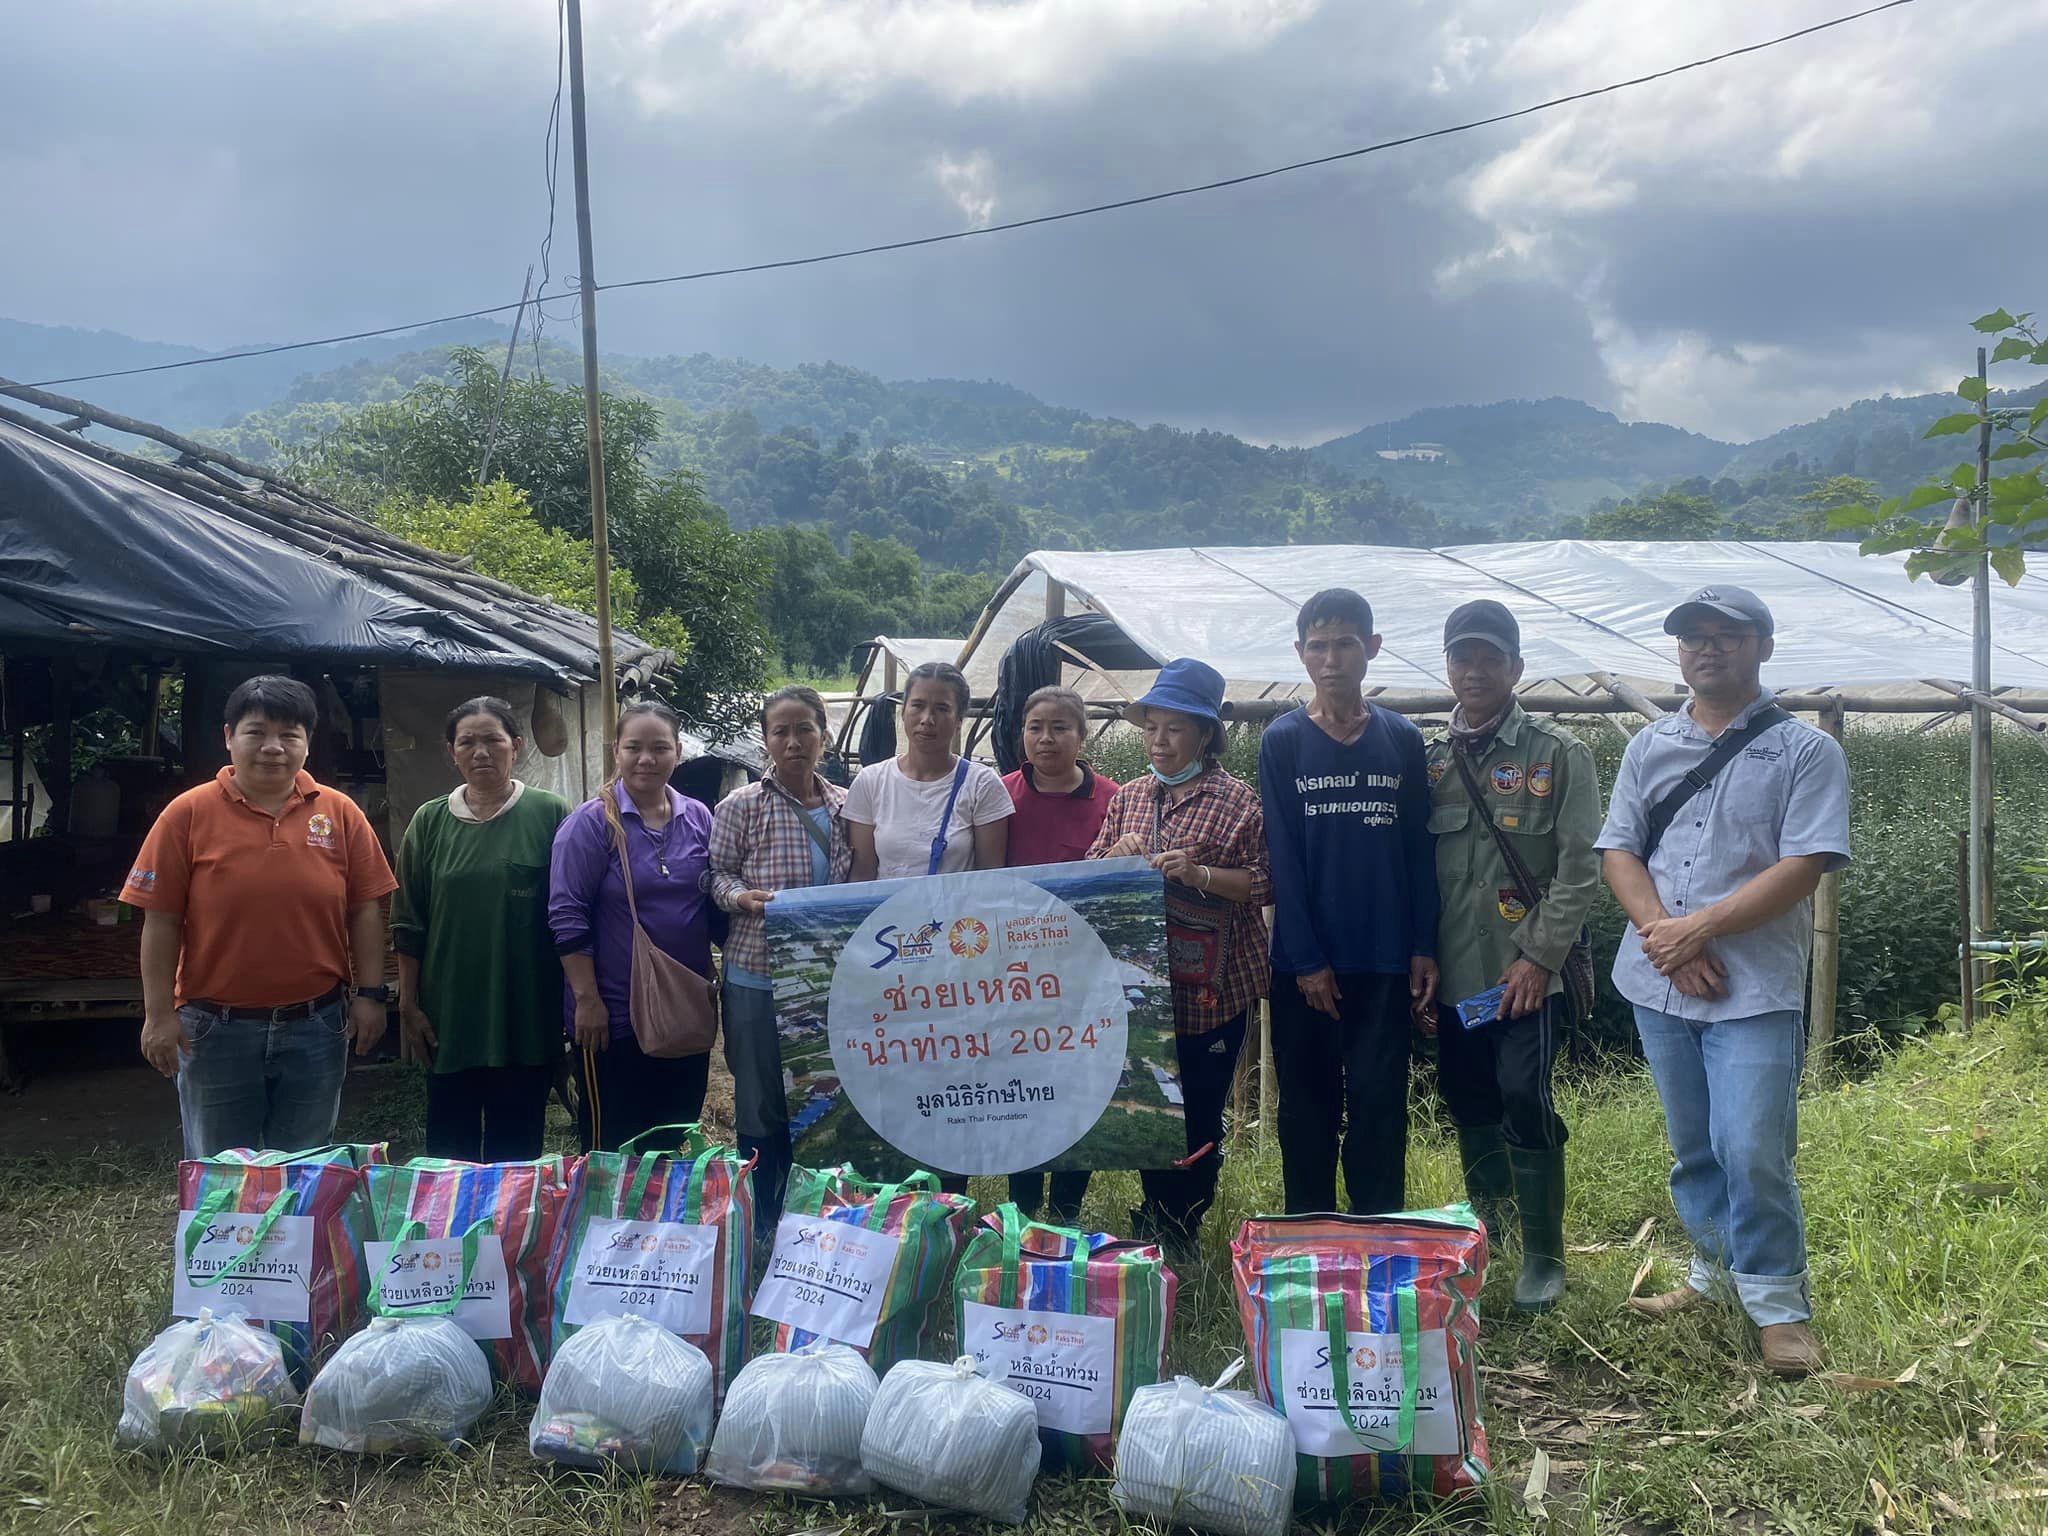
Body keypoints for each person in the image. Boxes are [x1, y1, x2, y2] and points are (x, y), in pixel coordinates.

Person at [1597, 586, 1849, 1378]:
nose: (1708, 649)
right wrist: (1663, 937)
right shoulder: (1649, 746)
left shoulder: (1807, 752)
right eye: (1693, 637)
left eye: (1727, 637)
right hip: (1659, 978)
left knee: (1753, 1147)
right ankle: (1711, 1278)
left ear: (1763, 647)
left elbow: (1804, 866)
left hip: (1754, 987)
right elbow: (1619, 852)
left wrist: (1698, 928)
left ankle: (1779, 1305)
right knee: (1695, 1143)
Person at [123, 675, 395, 1159]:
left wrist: (371, 995)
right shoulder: (186, 814)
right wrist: (158, 1014)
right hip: (213, 1029)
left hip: (317, 1025)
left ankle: (297, 1239)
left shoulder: (340, 812)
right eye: (257, 732)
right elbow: (160, 921)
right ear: (229, 737)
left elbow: (366, 910)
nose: (273, 747)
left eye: (289, 735)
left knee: (307, 1169)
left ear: (308, 743)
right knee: (221, 1173)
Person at [1423, 601, 1602, 1312]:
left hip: (1525, 976)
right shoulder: (1430, 758)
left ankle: (1544, 1255)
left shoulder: (1558, 754)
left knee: (1525, 1096)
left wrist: (1538, 958)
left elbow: (1582, 866)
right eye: (1461, 657)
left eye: (1489, 658)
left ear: (1515, 668)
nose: (1474, 670)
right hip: (1457, 975)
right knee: (1469, 1100)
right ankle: (1486, 1234)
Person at [1259, 588, 1437, 1216]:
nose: (1331, 659)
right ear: (1301, 654)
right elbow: (1284, 855)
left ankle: (1378, 1231)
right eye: (1318, 646)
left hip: (1385, 961)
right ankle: (1309, 1236)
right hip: (1306, 965)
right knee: (1306, 1108)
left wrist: (1423, 945)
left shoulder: (1402, 740)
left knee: (1379, 1105)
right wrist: (1305, 960)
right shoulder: (1282, 741)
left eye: (1344, 644)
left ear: (1372, 649)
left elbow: (1418, 848)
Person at [1089, 658, 1270, 1249]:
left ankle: (1182, 1224)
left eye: (1174, 729)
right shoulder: (1131, 797)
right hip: (1141, 988)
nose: (1159, 742)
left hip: (1211, 994)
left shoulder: (1238, 802)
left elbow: (1265, 883)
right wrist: (1117, 852)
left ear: (1205, 735)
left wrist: (1200, 873)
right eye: (1151, 728)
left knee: (1197, 1112)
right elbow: (1090, 874)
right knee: (1150, 1103)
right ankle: (1152, 1215)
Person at [390, 697, 570, 1163]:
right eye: (467, 742)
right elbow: (408, 920)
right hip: (450, 1016)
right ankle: (451, 1237)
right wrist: (408, 1005)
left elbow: (571, 915)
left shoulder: (550, 814)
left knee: (518, 1151)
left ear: (517, 745)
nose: (481, 752)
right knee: (450, 1154)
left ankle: (513, 1236)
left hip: (526, 1013)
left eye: (493, 740)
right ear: (451, 752)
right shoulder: (428, 822)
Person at [707, 685, 852, 1241]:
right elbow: (714, 875)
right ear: (765, 739)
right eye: (780, 731)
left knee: (820, 1094)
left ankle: (812, 1216)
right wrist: (742, 898)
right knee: (760, 1101)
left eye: (805, 729)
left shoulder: (846, 806)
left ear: (824, 734)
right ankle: (762, 1218)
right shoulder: (742, 805)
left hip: (826, 980)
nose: (793, 742)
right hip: (756, 975)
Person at [549, 700, 717, 1152]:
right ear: (616, 752)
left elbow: (714, 898)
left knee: (671, 1137)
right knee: (613, 1147)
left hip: (682, 1009)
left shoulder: (698, 817)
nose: (647, 759)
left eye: (660, 748)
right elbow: (566, 916)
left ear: (678, 752)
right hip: (614, 1016)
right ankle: (610, 1224)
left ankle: (661, 1225)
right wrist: (587, 1000)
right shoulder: (590, 824)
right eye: (634, 747)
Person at [1002, 684, 1120, 1223]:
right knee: (1021, 1089)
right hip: (1012, 977)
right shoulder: (997, 797)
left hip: (1084, 977)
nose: (1046, 739)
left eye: (1060, 727)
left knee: (1077, 1088)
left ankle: (1067, 1210)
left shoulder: (1114, 800)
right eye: (1035, 727)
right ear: (1021, 733)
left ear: (1082, 734)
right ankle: (1022, 1209)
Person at [844, 660, 1012, 881]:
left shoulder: (981, 785)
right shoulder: (871, 782)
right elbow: (862, 872)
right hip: (886, 915)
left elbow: (989, 878)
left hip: (956, 915)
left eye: (942, 709)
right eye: (917, 705)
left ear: (959, 720)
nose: (927, 720)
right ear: (903, 711)